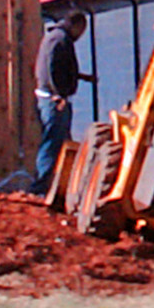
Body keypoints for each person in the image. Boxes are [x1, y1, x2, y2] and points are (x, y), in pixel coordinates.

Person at [31, 10, 93, 194]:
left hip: (49, 97)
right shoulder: (60, 40)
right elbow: (51, 68)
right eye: (82, 30)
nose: (81, 35)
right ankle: (41, 188)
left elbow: (55, 66)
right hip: (53, 100)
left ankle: (59, 187)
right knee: (52, 143)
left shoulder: (54, 37)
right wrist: (58, 95)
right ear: (76, 25)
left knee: (61, 142)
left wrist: (80, 77)